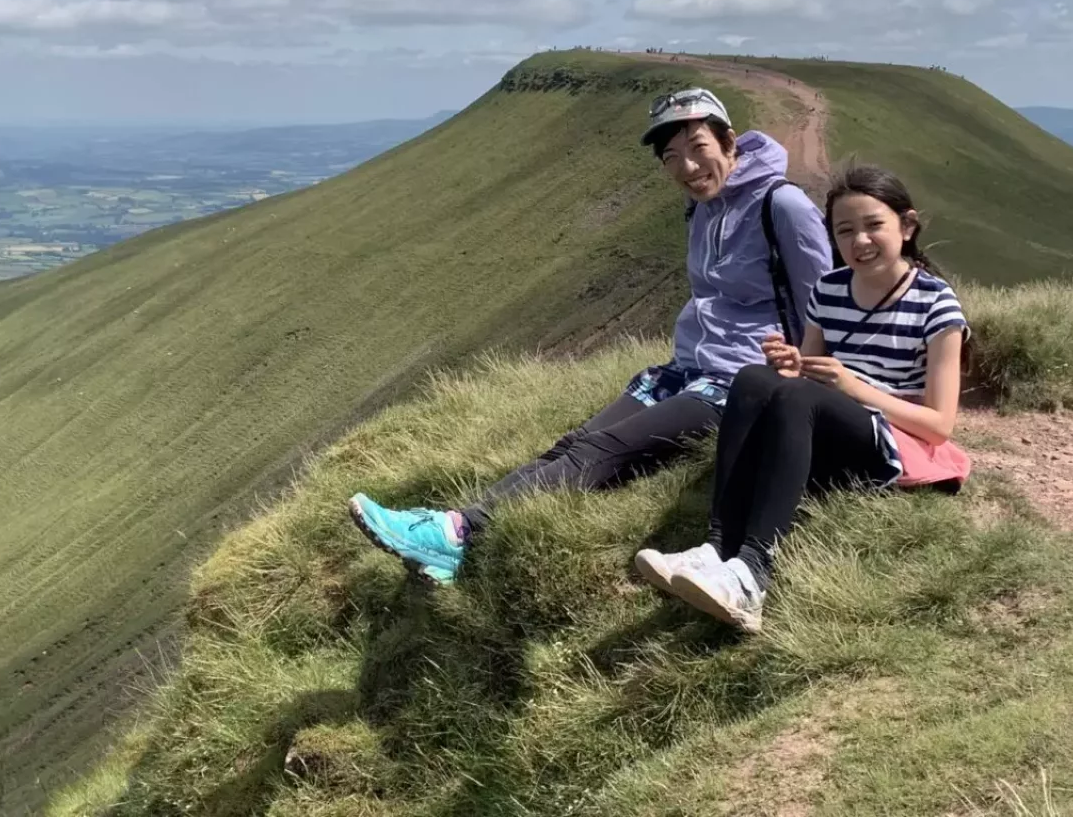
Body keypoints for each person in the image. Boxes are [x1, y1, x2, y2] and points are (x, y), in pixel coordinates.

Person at [348, 87, 833, 584]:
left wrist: (803, 382)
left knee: (602, 450)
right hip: (686, 369)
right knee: (575, 442)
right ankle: (457, 534)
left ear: (729, 141)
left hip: (738, 383)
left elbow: (827, 307)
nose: (688, 168)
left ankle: (460, 532)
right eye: (671, 157)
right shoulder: (702, 208)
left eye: (698, 148)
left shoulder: (783, 206)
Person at [634, 162, 971, 633]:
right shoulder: (829, 289)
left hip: (892, 440)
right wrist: (792, 365)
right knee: (753, 379)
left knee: (796, 399)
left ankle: (752, 573)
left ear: (907, 226)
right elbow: (807, 371)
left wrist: (854, 387)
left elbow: (939, 425)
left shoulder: (936, 304)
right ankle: (717, 548)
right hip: (828, 421)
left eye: (874, 225)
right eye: (844, 230)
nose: (860, 241)